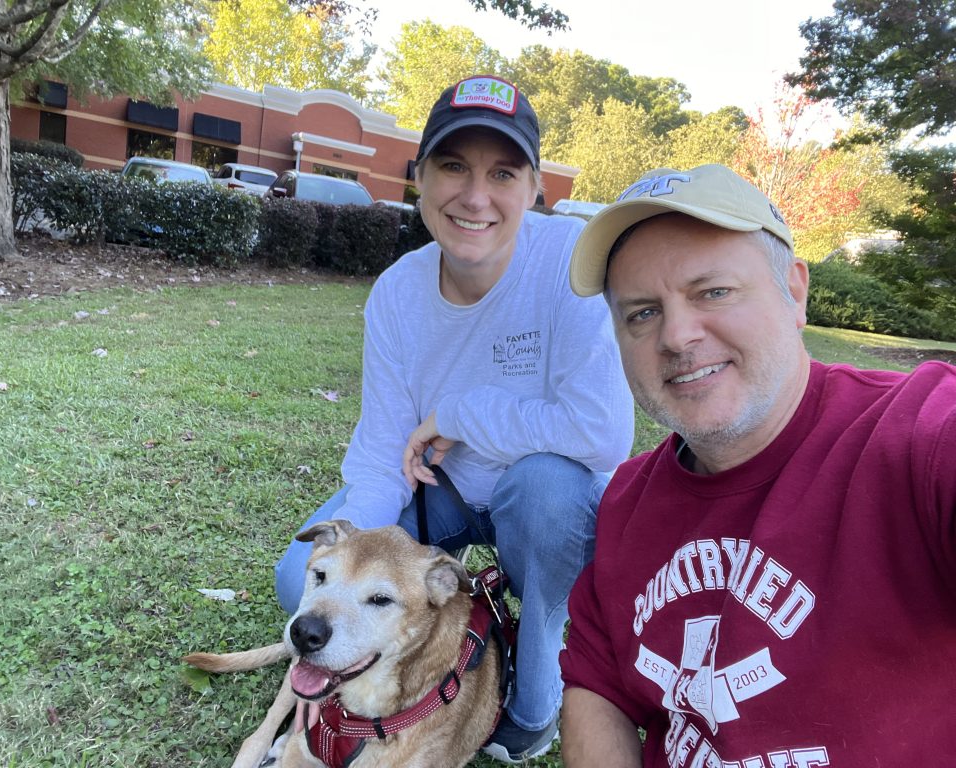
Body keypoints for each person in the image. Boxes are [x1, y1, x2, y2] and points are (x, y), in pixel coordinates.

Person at [274, 75, 635, 763]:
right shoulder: (397, 293)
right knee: (300, 580)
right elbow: (386, 446)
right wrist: (368, 559)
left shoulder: (572, 264)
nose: (475, 196)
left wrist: (462, 414)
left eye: (503, 172)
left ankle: (539, 663)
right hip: (438, 494)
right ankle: (409, 638)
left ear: (534, 188)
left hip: (540, 507)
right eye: (452, 166)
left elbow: (601, 432)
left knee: (547, 486)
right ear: (419, 179)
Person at [559, 163, 956, 767]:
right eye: (641, 312)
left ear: (794, 292)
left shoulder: (913, 434)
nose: (677, 335)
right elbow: (599, 684)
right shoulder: (629, 500)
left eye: (712, 291)